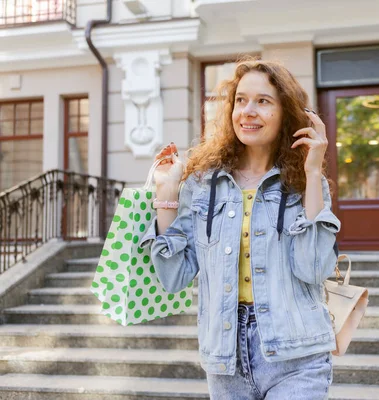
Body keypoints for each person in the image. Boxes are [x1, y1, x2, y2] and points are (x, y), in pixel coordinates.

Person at [141, 59, 341, 399]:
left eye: (263, 101)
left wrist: (311, 173)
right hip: (225, 360)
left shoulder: (304, 183)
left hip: (296, 354)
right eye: (240, 100)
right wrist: (167, 192)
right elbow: (174, 277)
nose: (248, 111)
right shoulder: (203, 184)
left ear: (286, 113)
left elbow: (313, 268)